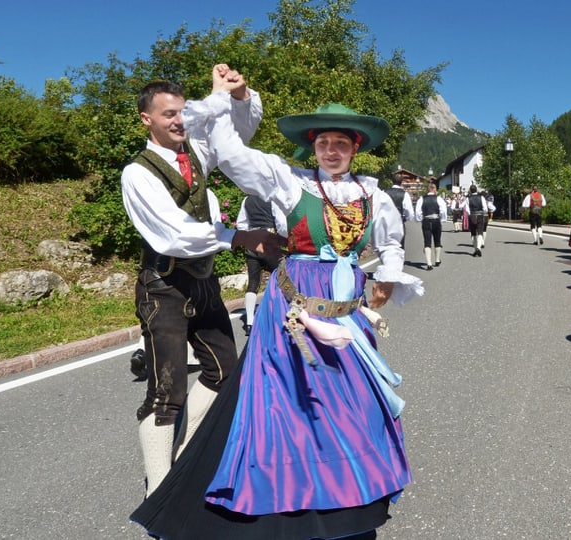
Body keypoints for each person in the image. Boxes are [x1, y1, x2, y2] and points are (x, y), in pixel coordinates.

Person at [130, 100, 424, 539]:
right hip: (294, 303)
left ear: (354, 148)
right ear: (313, 148)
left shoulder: (373, 195)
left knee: (349, 404)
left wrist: (385, 277)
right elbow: (232, 155)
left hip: (344, 305)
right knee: (289, 402)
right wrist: (226, 102)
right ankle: (285, 498)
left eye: (340, 143)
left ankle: (348, 490)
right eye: (323, 142)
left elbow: (391, 241)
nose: (331, 150)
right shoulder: (291, 182)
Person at [121, 66, 285, 498]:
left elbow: (237, 133)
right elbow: (174, 233)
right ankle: (158, 487)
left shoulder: (195, 150)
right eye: (169, 114)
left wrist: (240, 93)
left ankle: (186, 456)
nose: (178, 121)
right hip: (164, 288)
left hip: (203, 284)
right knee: (166, 392)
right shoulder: (136, 173)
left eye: (182, 112)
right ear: (147, 120)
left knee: (223, 371)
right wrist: (239, 236)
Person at [236, 195, 288, 335]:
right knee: (281, 279)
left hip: (251, 243)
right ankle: (278, 317)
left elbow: (241, 224)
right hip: (269, 241)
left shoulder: (246, 200)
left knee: (253, 283)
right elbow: (281, 224)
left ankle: (249, 323)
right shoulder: (272, 199)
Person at [415, 180, 447, 270]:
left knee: (427, 242)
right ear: (434, 189)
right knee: (437, 241)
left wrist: (420, 219)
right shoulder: (439, 198)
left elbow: (417, 212)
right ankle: (437, 260)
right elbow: (443, 210)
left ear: (427, 190)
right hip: (436, 220)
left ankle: (429, 263)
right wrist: (443, 219)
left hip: (426, 220)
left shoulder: (421, 199)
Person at [462, 184, 491, 257]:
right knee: (480, 232)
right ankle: (478, 247)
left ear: (470, 191)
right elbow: (485, 208)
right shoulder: (481, 197)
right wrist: (482, 213)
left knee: (473, 233)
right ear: (476, 190)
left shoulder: (468, 198)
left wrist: (470, 215)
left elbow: (467, 209)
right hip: (480, 215)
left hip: (472, 215)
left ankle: (475, 249)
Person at [386, 174, 414, 248]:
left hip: (387, 222)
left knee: (387, 246)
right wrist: (407, 218)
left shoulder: (384, 192)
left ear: (392, 181)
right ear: (401, 182)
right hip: (399, 222)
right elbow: (408, 211)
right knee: (399, 246)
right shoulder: (404, 194)